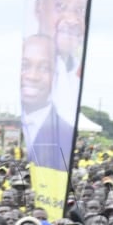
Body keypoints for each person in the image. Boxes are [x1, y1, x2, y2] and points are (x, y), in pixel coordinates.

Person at [20, 35, 76, 173]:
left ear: (56, 76)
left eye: (44, 68)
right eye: (25, 65)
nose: (32, 76)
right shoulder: (13, 124)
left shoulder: (64, 133)